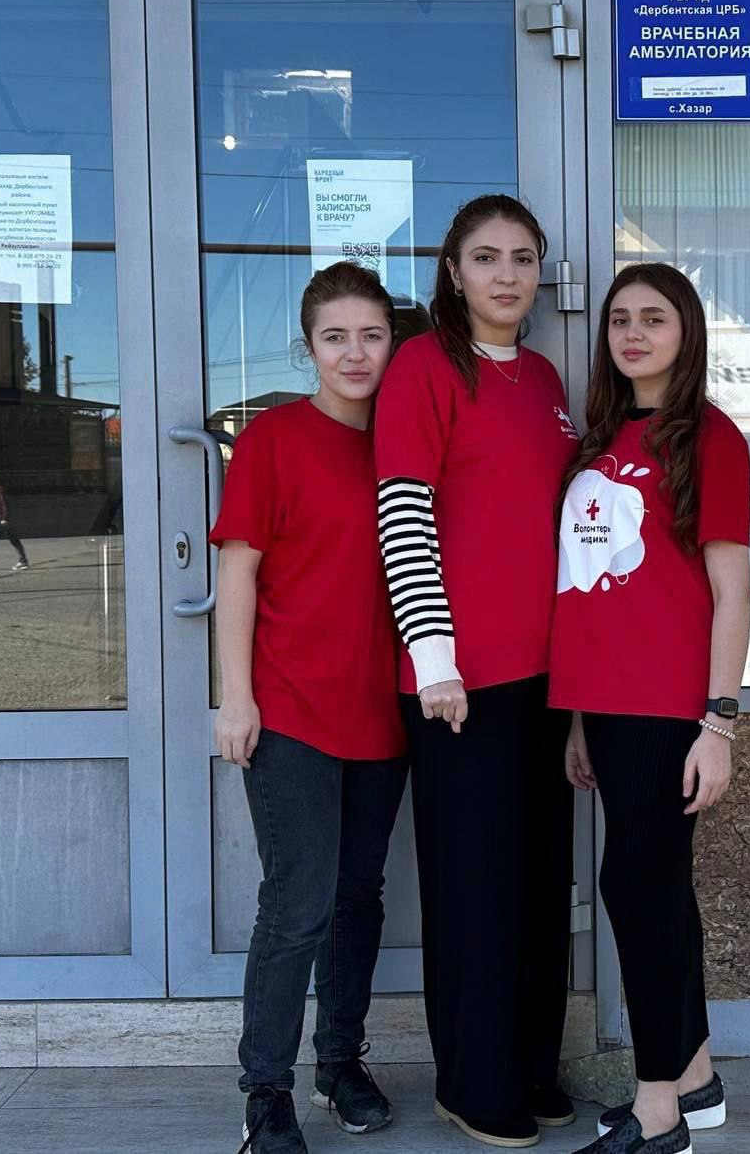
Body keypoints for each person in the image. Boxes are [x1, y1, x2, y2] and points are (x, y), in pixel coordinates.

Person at [374, 194, 580, 1149]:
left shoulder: (545, 380)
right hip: (458, 685)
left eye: (523, 258)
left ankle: (533, 1066)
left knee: (539, 884)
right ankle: (473, 1080)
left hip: (546, 679)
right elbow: (403, 513)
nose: (507, 274)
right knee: (474, 890)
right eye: (487, 257)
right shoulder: (424, 367)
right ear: (453, 272)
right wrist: (434, 660)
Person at [549, 264, 750, 1154]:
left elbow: (732, 591)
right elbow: (590, 585)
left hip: (670, 706)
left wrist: (719, 722)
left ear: (686, 331)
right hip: (607, 704)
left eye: (654, 318)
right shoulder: (599, 437)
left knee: (636, 886)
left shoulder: (710, 436)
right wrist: (579, 716)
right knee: (659, 889)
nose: (633, 333)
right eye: (620, 319)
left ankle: (659, 1107)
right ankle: (696, 1075)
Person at [211, 262, 409, 1154]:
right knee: (299, 903)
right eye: (336, 337)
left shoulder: (405, 443)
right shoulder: (274, 439)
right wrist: (236, 696)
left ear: (392, 342)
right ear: (309, 348)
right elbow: (238, 571)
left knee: (358, 896)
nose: (355, 353)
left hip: (382, 712)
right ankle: (266, 1092)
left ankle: (340, 1062)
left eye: (371, 335)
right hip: (289, 708)